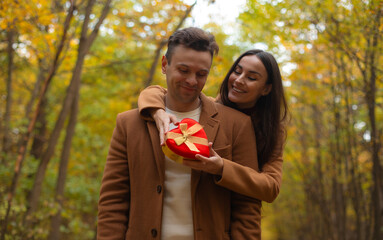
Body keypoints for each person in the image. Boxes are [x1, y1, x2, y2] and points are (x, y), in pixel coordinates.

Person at [98, 27, 262, 239]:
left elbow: (247, 207)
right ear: (165, 65)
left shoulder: (237, 125)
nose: (192, 81)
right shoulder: (128, 124)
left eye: (201, 74)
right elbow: (113, 201)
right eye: (184, 71)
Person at [138, 49, 288, 203]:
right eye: (237, 72)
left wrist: (222, 167)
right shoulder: (210, 109)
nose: (239, 80)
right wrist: (157, 111)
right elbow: (154, 91)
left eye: (251, 77)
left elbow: (271, 187)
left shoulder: (271, 131)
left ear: (266, 88)